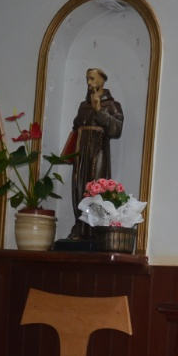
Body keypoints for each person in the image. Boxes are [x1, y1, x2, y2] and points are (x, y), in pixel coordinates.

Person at [68, 68, 124, 238]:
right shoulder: (82, 106)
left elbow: (116, 129)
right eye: (87, 79)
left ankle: (95, 228)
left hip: (98, 151)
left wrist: (99, 111)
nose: (89, 83)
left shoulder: (112, 105)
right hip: (81, 152)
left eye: (92, 79)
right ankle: (80, 224)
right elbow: (76, 126)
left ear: (101, 81)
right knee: (78, 186)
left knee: (95, 186)